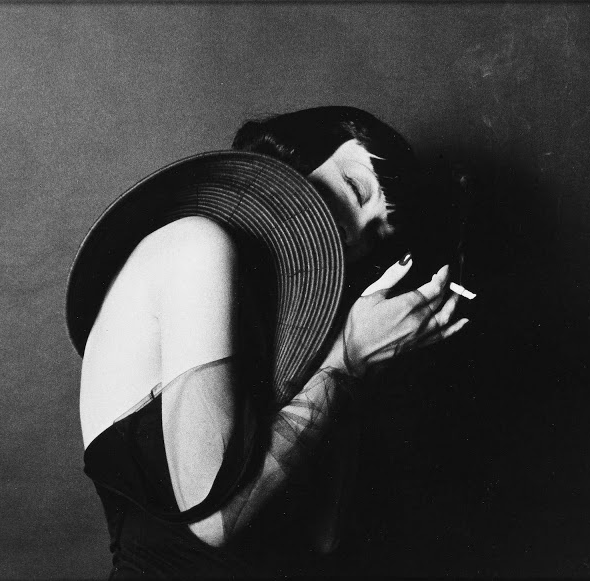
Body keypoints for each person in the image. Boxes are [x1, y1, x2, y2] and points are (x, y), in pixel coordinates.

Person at [68, 106, 468, 578]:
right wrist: (346, 359)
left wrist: (355, 369)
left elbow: (323, 536)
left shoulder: (288, 335)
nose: (355, 235)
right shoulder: (194, 245)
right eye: (355, 188)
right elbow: (214, 521)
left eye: (376, 234)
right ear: (293, 160)